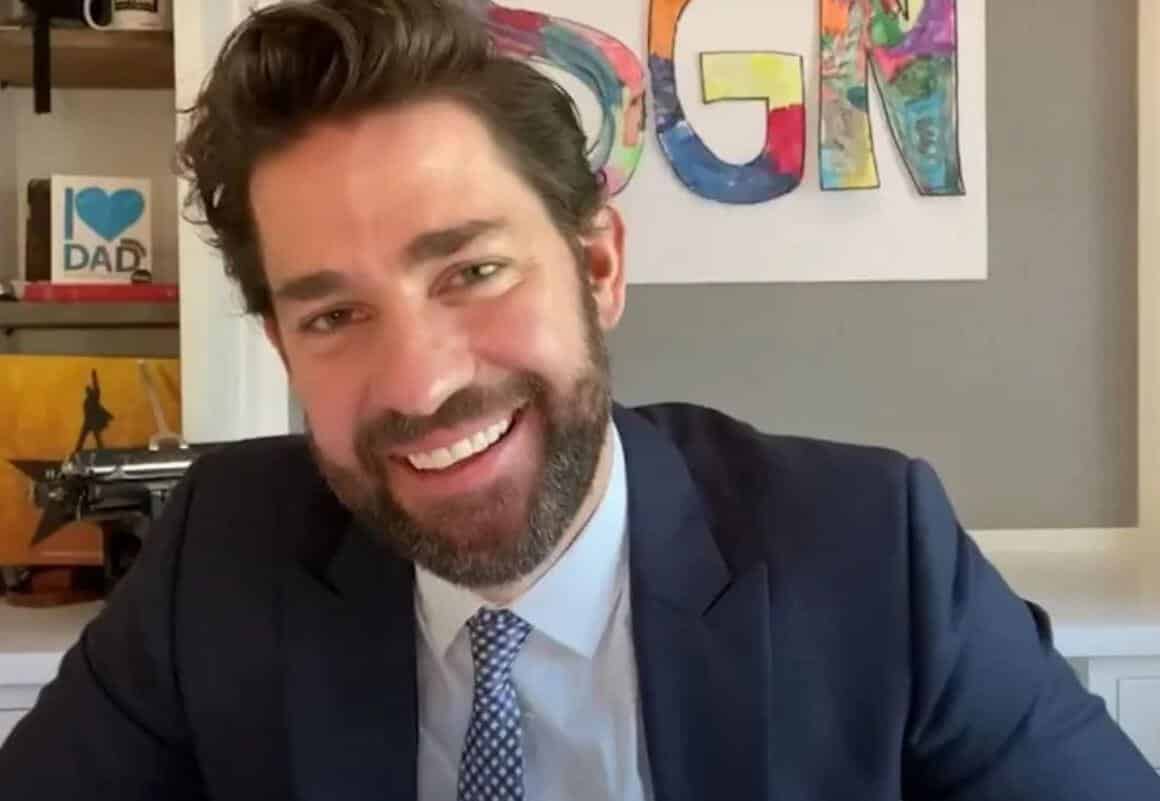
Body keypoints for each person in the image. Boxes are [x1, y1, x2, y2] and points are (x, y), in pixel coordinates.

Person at [1, 1, 1157, 798]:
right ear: (281, 347)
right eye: (334, 315)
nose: (419, 383)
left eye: (471, 270)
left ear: (597, 266)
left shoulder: (869, 554)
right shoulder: (220, 557)